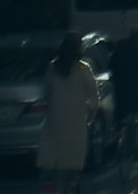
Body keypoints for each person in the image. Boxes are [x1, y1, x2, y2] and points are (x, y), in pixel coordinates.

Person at [36, 32, 105, 192]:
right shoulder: (83, 69)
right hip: (76, 125)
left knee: (52, 166)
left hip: (54, 124)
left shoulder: (53, 67)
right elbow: (94, 98)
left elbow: (46, 91)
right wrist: (90, 116)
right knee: (71, 169)